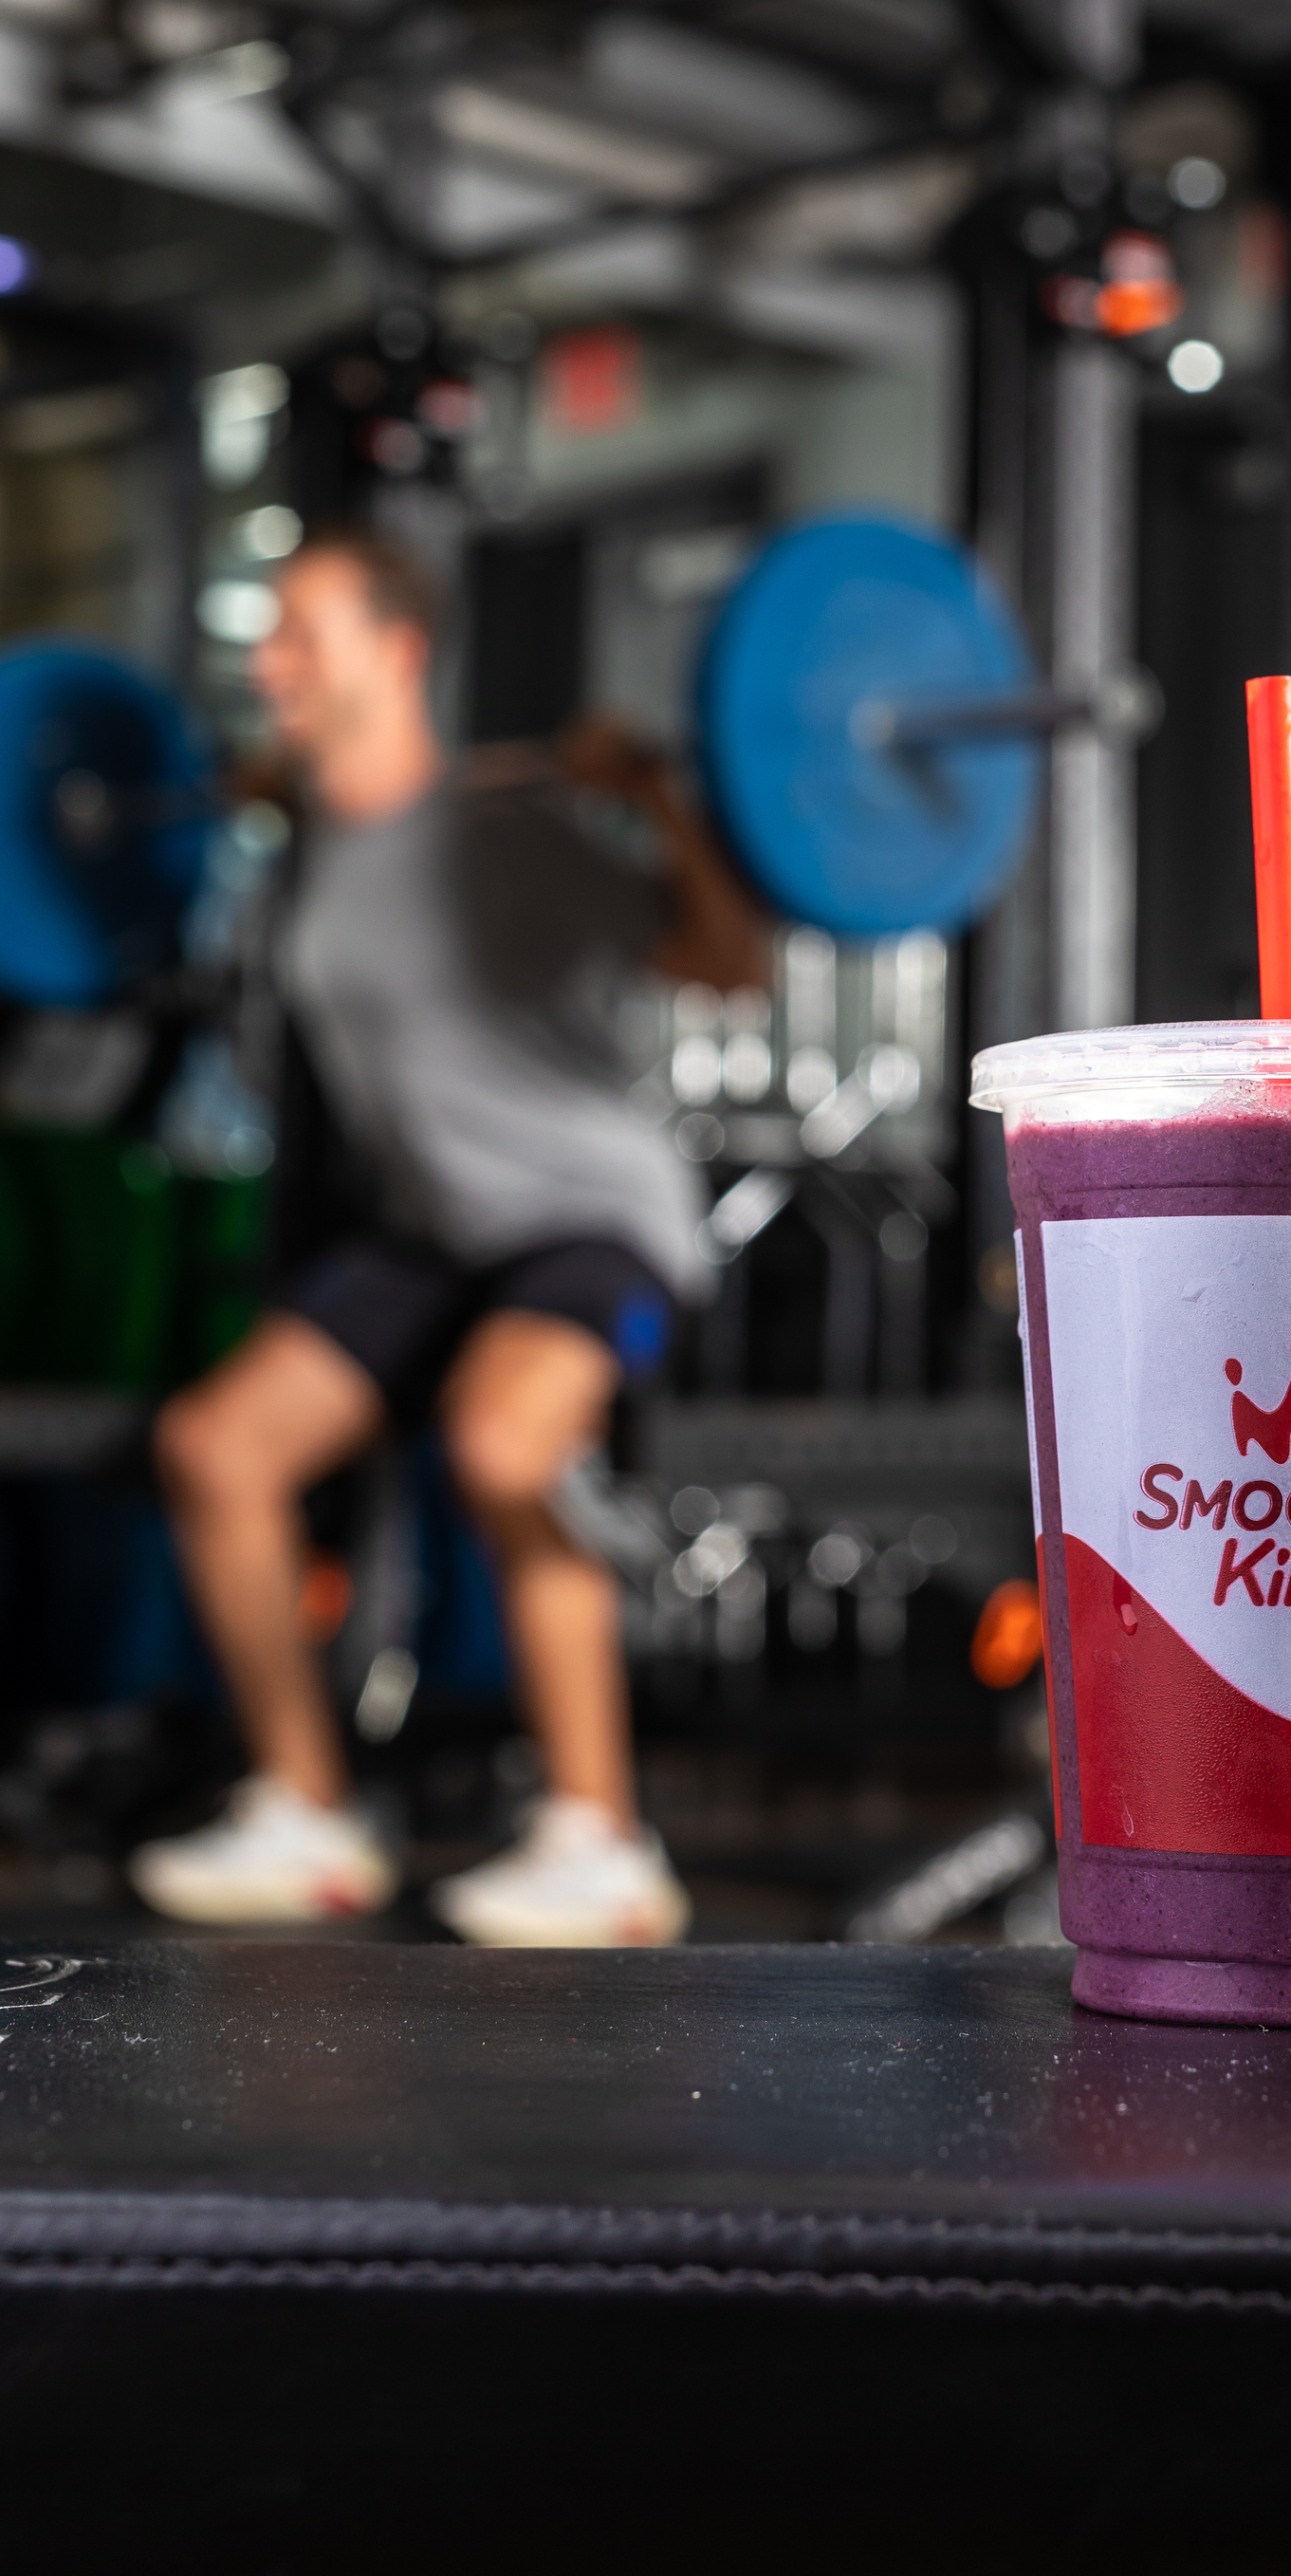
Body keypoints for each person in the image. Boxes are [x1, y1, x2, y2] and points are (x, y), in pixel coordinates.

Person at [128, 528, 765, 1944]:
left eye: (301, 634)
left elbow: (729, 968)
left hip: (588, 1216)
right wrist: (275, 787)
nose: (267, 661)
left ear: (399, 652)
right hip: (442, 1229)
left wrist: (657, 803)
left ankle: (603, 1842)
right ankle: (306, 1813)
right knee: (217, 1449)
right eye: (266, 638)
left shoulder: (513, 831)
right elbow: (321, 798)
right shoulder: (314, 834)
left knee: (499, 1443)